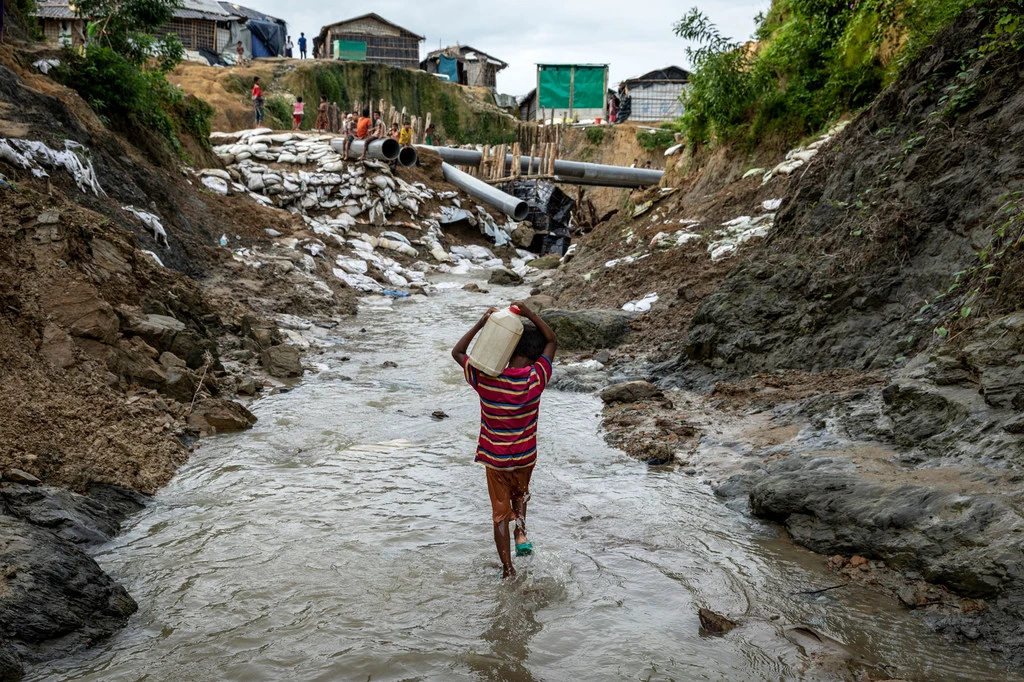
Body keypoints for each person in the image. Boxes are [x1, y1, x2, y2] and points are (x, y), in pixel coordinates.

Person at [451, 302, 558, 580]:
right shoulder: (537, 378)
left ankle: (508, 570)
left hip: (496, 459)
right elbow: (552, 340)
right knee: (520, 494)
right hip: (525, 457)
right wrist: (532, 314)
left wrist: (481, 323)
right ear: (535, 356)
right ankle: (521, 531)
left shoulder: (485, 379)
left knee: (499, 513)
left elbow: (458, 352)